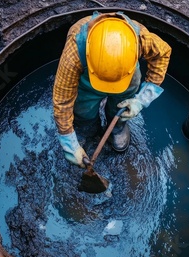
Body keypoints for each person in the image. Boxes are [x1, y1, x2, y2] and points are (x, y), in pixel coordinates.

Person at [53, 11, 171, 168]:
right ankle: (87, 127)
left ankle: (116, 127)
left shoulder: (141, 39)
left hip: (126, 80)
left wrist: (141, 100)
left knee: (120, 108)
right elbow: (62, 99)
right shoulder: (75, 50)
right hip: (88, 84)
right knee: (83, 109)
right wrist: (69, 142)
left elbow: (162, 54)